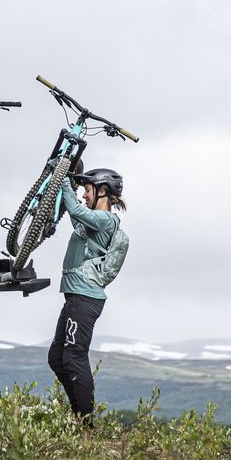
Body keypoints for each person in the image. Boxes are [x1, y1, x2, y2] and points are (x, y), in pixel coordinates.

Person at [47, 166, 129, 423]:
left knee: (74, 356)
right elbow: (76, 215)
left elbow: (76, 210)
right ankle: (78, 415)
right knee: (57, 358)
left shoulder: (106, 220)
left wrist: (61, 179)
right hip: (75, 296)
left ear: (102, 191)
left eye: (87, 190)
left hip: (84, 298)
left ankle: (85, 423)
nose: (83, 195)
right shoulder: (91, 222)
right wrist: (69, 184)